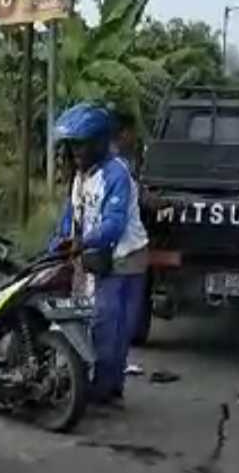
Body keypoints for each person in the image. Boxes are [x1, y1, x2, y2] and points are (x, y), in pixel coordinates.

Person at [49, 103, 149, 406]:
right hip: (95, 257)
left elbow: (113, 224)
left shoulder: (116, 174)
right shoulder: (81, 177)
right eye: (72, 146)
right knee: (94, 323)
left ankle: (107, 389)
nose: (76, 153)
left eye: (81, 145)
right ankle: (98, 382)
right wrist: (56, 243)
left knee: (113, 329)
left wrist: (81, 242)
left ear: (98, 142)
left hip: (124, 259)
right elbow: (71, 216)